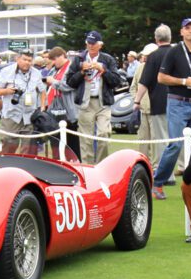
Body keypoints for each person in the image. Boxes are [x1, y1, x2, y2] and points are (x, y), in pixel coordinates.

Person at [154, 18, 191, 187]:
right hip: (177, 103)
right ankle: (158, 182)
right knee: (175, 145)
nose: (190, 31)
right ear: (181, 32)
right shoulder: (173, 52)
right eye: (187, 28)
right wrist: (184, 82)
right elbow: (161, 78)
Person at [65, 30, 125, 164]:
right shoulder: (79, 59)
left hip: (103, 103)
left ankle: (101, 165)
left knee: (103, 134)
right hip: (85, 103)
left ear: (100, 45)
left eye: (93, 43)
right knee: (86, 139)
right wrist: (81, 72)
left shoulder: (107, 59)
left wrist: (103, 70)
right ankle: (88, 168)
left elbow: (116, 81)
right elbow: (69, 82)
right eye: (88, 43)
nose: (90, 46)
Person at [138, 26, 173, 195]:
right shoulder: (178, 53)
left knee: (161, 141)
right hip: (179, 102)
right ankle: (171, 173)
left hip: (158, 102)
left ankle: (163, 175)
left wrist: (137, 101)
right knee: (176, 138)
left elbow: (144, 82)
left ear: (156, 38)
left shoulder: (152, 57)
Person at [0, 50, 47, 156]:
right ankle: (6, 167)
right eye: (24, 59)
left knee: (28, 149)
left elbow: (42, 90)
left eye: (29, 60)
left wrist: (42, 107)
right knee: (9, 147)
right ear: (17, 59)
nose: (27, 62)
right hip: (11, 115)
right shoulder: (6, 71)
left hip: (29, 116)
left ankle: (26, 169)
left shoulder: (36, 73)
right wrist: (7, 91)